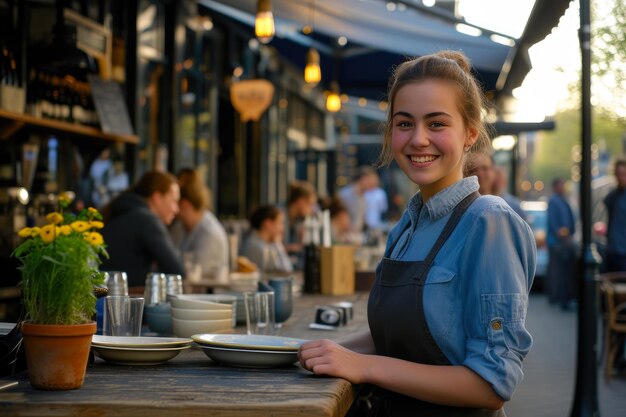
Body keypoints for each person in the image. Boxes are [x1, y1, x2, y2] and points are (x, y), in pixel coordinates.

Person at [298, 50, 536, 416]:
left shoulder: (489, 221)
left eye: (437, 124)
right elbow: (395, 338)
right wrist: (323, 350)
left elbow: (491, 385)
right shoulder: (407, 226)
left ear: (471, 132)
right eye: (404, 123)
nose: (418, 139)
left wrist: (362, 366)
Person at [101, 171, 185, 287]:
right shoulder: (147, 220)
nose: (176, 209)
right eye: (174, 201)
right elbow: (177, 273)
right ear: (157, 198)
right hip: (128, 300)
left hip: (103, 296)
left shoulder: (120, 211)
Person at [169, 168, 229, 280]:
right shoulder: (179, 226)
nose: (171, 207)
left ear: (185, 204)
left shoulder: (209, 233)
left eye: (174, 202)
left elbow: (194, 274)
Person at [546, 178, 577, 308]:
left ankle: (560, 296)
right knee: (557, 271)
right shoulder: (554, 201)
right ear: (555, 187)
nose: (563, 187)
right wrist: (563, 235)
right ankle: (556, 296)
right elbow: (554, 223)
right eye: (561, 185)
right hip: (557, 243)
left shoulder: (562, 199)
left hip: (563, 240)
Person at [240, 205, 293, 274]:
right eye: (280, 223)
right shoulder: (257, 247)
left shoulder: (264, 244)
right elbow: (286, 271)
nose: (282, 229)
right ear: (267, 224)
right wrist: (278, 244)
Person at [284, 180, 318, 268]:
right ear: (301, 201)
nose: (312, 210)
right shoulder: (278, 216)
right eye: (310, 204)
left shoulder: (299, 221)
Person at [338, 166, 380, 234]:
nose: (372, 189)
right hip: (343, 236)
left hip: (355, 237)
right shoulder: (345, 195)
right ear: (364, 179)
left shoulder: (364, 199)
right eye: (371, 184)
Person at [604, 158, 626, 272]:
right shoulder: (612, 196)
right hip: (612, 250)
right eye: (618, 174)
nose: (620, 178)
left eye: (623, 174)